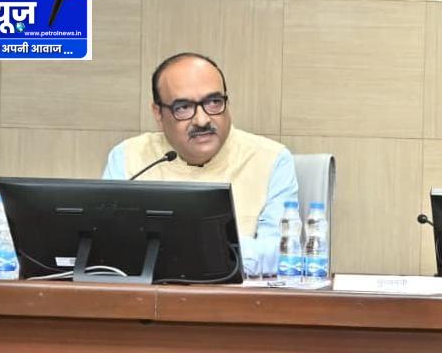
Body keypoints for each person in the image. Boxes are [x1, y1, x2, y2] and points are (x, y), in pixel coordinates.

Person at [102, 52, 298, 278]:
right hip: (147, 296)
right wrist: (213, 250)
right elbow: (107, 245)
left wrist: (184, 248)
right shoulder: (128, 157)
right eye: (183, 107)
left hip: (236, 297)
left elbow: (282, 254)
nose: (202, 120)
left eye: (214, 102)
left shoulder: (271, 159)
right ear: (158, 113)